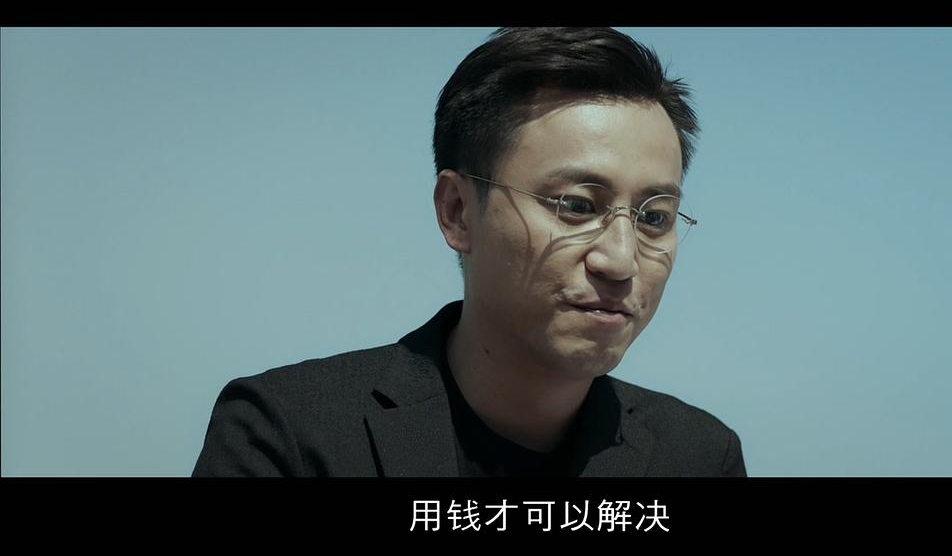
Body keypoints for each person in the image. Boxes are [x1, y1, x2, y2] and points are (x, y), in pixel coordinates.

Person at [192, 27, 747, 477]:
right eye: (577, 206)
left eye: (654, 218)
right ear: (458, 212)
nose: (620, 261)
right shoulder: (287, 435)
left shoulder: (699, 456)